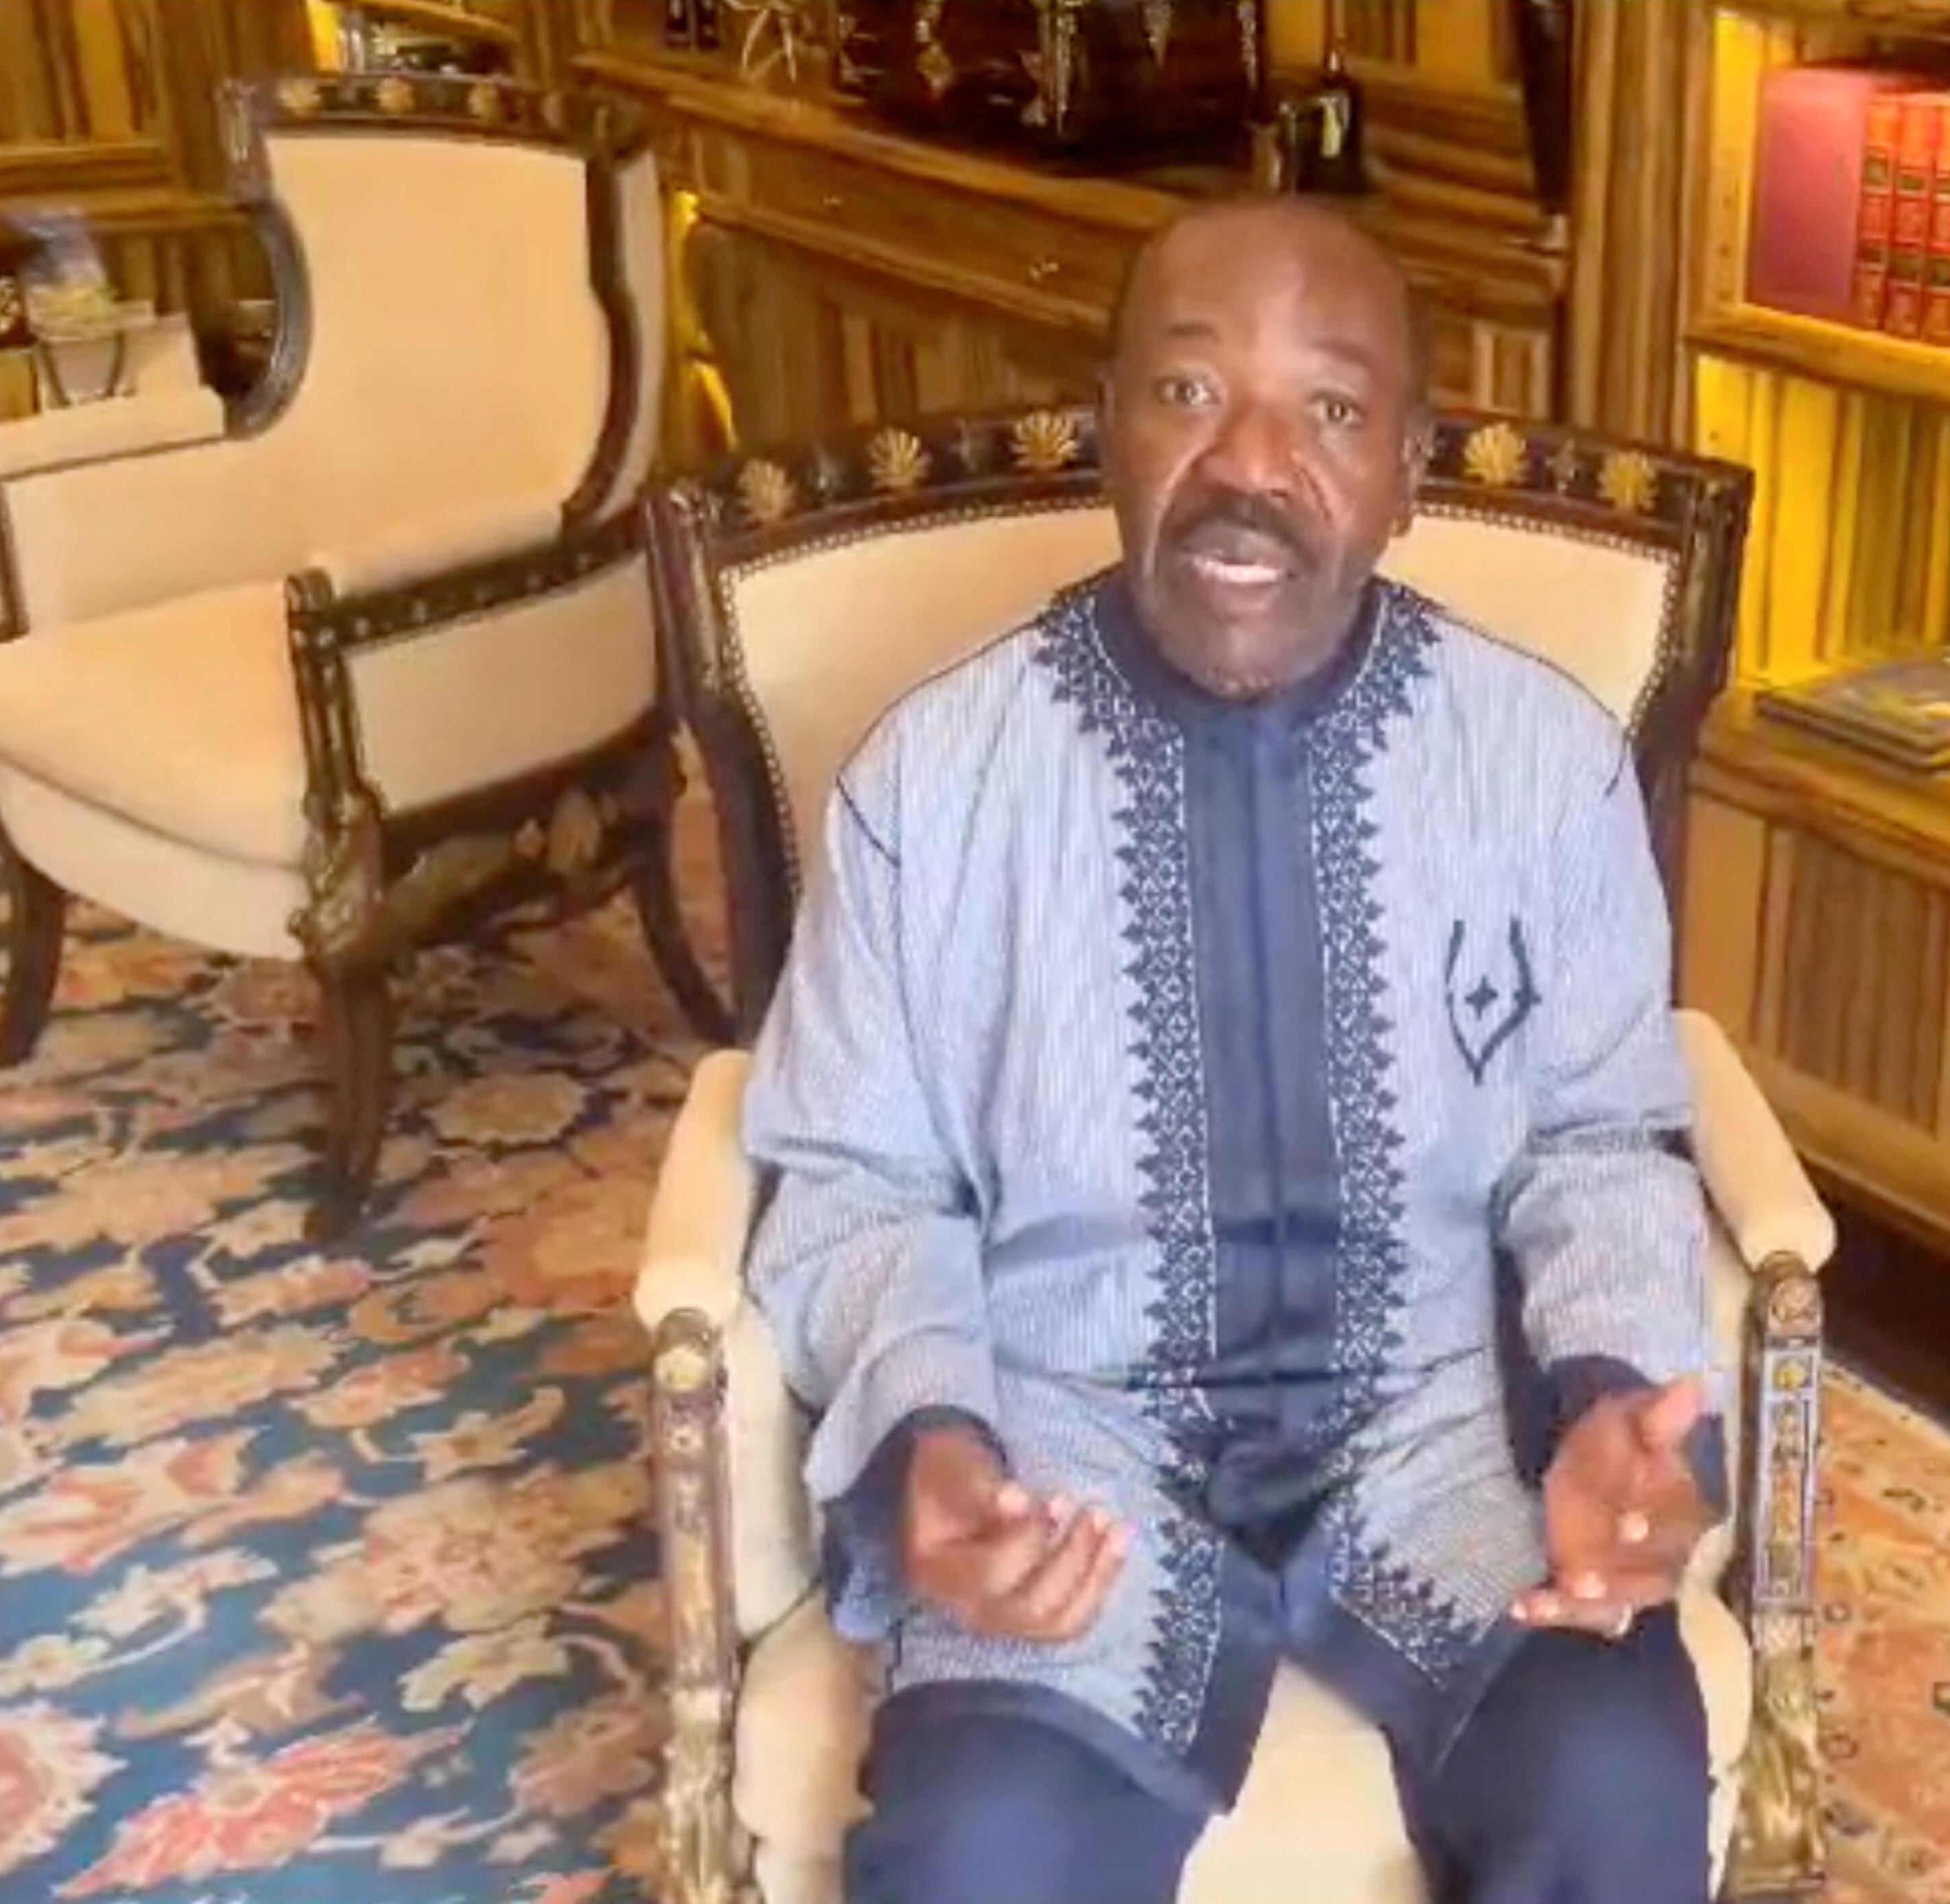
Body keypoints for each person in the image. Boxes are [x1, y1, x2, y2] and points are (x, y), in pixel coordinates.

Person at [740, 195, 1727, 1904]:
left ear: (1412, 469)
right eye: (1189, 395)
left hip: (1439, 1448)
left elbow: (1598, 1141)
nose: (1251, 467)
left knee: (1612, 1783)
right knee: (975, 1861)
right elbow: (855, 1179)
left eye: (1331, 414)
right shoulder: (931, 785)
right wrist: (940, 1452)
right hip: (1073, 1468)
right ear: (1105, 427)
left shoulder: (1542, 764)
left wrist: (1617, 1402)